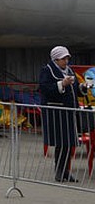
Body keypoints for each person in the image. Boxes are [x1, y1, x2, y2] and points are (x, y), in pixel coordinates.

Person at [39, 45, 92, 182]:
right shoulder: (47, 71)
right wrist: (62, 84)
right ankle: (59, 171)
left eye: (67, 58)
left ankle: (65, 171)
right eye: (63, 58)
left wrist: (82, 87)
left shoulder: (69, 70)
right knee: (61, 143)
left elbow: (74, 89)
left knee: (69, 143)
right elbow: (44, 89)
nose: (66, 61)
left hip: (69, 113)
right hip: (57, 113)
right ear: (56, 59)